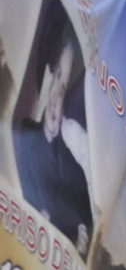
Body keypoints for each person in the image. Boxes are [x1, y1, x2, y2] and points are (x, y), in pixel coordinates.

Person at [13, 36, 92, 256]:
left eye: (65, 86)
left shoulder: (76, 170)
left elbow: (85, 221)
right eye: (57, 77)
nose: (57, 94)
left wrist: (81, 239)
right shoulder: (23, 139)